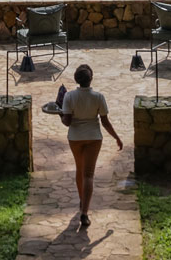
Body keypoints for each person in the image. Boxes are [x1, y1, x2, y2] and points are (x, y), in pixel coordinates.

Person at [60, 63, 123, 227]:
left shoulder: (69, 97)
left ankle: (82, 201)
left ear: (76, 79)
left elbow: (66, 122)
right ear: (91, 79)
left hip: (75, 138)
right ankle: (85, 212)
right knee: (88, 174)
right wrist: (116, 137)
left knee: (79, 170)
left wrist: (60, 113)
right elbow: (105, 121)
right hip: (94, 138)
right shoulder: (98, 97)